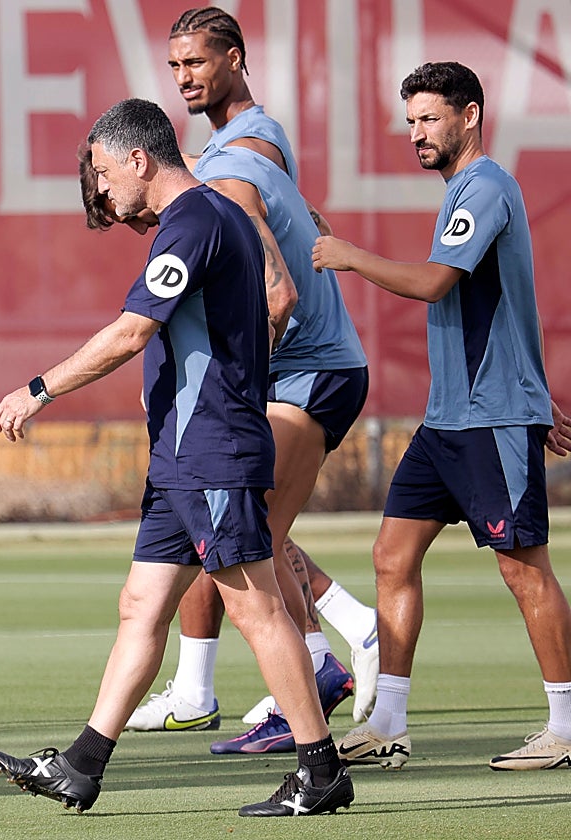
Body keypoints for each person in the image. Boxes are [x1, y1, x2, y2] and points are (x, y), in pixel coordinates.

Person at [0, 98, 353, 817]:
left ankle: (321, 770)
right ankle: (82, 766)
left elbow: (132, 332)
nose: (100, 190)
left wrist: (38, 389)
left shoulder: (193, 222)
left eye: (102, 173)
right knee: (141, 606)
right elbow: (267, 307)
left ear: (139, 159)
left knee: (256, 609)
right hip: (184, 456)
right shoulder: (214, 217)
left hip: (210, 449)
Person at [127, 7, 380, 746]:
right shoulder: (252, 140)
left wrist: (229, 391)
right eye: (175, 67)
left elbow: (279, 293)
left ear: (235, 58)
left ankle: (326, 660)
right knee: (228, 528)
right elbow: (307, 222)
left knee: (245, 534)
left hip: (309, 371)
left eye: (197, 62)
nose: (184, 78)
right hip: (310, 369)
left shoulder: (229, 169)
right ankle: (217, 682)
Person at [314, 61, 571, 771]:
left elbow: (435, 283)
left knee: (525, 571)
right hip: (448, 421)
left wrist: (350, 256)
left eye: (429, 119)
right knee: (391, 557)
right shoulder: (463, 191)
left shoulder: (486, 186)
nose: (417, 133)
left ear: (470, 116)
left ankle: (566, 726)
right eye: (411, 122)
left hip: (490, 421)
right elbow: (509, 299)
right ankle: (388, 723)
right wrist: (538, 388)